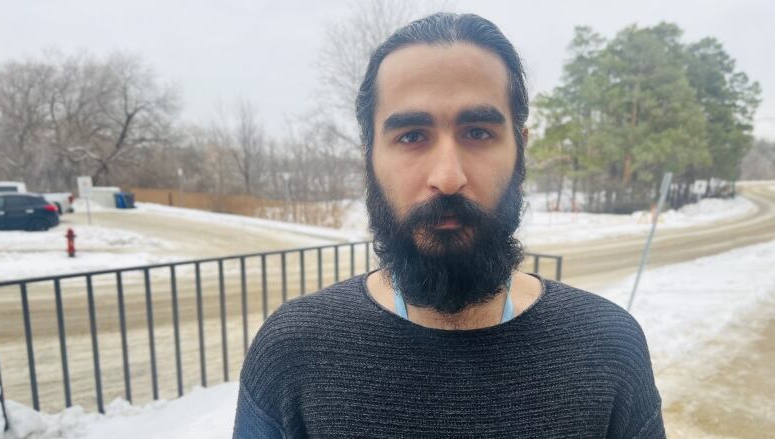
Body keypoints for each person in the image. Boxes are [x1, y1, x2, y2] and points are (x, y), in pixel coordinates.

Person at [234, 12, 664, 438]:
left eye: (477, 132)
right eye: (411, 136)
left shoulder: (609, 347)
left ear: (520, 149)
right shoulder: (291, 352)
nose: (448, 176)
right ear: (369, 156)